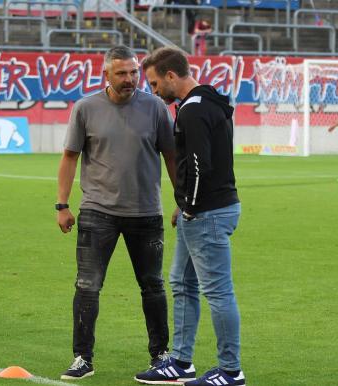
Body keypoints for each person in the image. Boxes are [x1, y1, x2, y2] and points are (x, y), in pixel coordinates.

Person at [56, 45, 177, 381]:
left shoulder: (155, 108)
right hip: (98, 212)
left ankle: (161, 355)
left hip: (146, 212)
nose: (130, 79)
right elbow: (69, 157)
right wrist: (62, 204)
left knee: (153, 286)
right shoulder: (86, 108)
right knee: (87, 286)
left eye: (134, 72)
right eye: (122, 73)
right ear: (105, 74)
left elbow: (171, 155)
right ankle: (82, 358)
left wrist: (182, 200)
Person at [136, 47, 244, 386]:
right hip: (204, 208)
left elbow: (198, 165)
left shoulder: (192, 111)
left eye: (154, 84)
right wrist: (184, 205)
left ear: (171, 76)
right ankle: (181, 362)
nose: (153, 91)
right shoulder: (209, 102)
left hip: (206, 212)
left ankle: (230, 371)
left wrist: (191, 207)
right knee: (182, 283)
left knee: (218, 291)